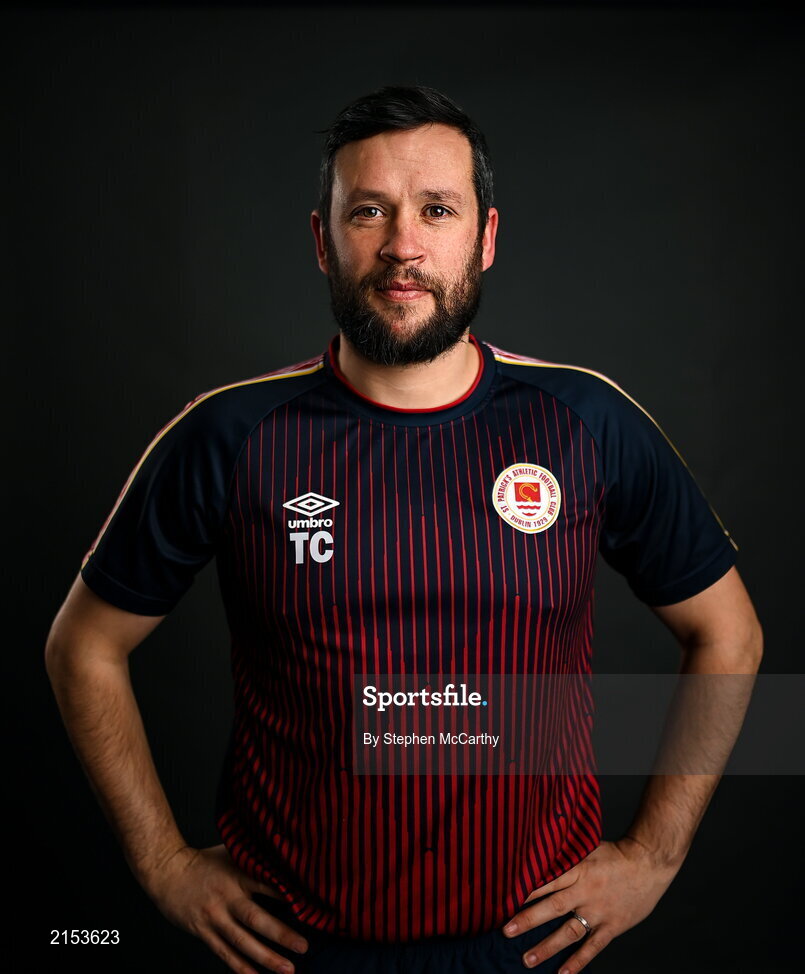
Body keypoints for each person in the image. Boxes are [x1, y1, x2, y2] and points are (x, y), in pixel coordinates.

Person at [45, 85, 763, 974]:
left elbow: (727, 633)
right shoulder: (226, 435)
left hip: (530, 947)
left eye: (435, 209)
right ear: (322, 240)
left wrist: (653, 856)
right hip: (295, 948)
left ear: (485, 237)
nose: (402, 246)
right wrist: (161, 865)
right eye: (368, 212)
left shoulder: (586, 420)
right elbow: (82, 648)